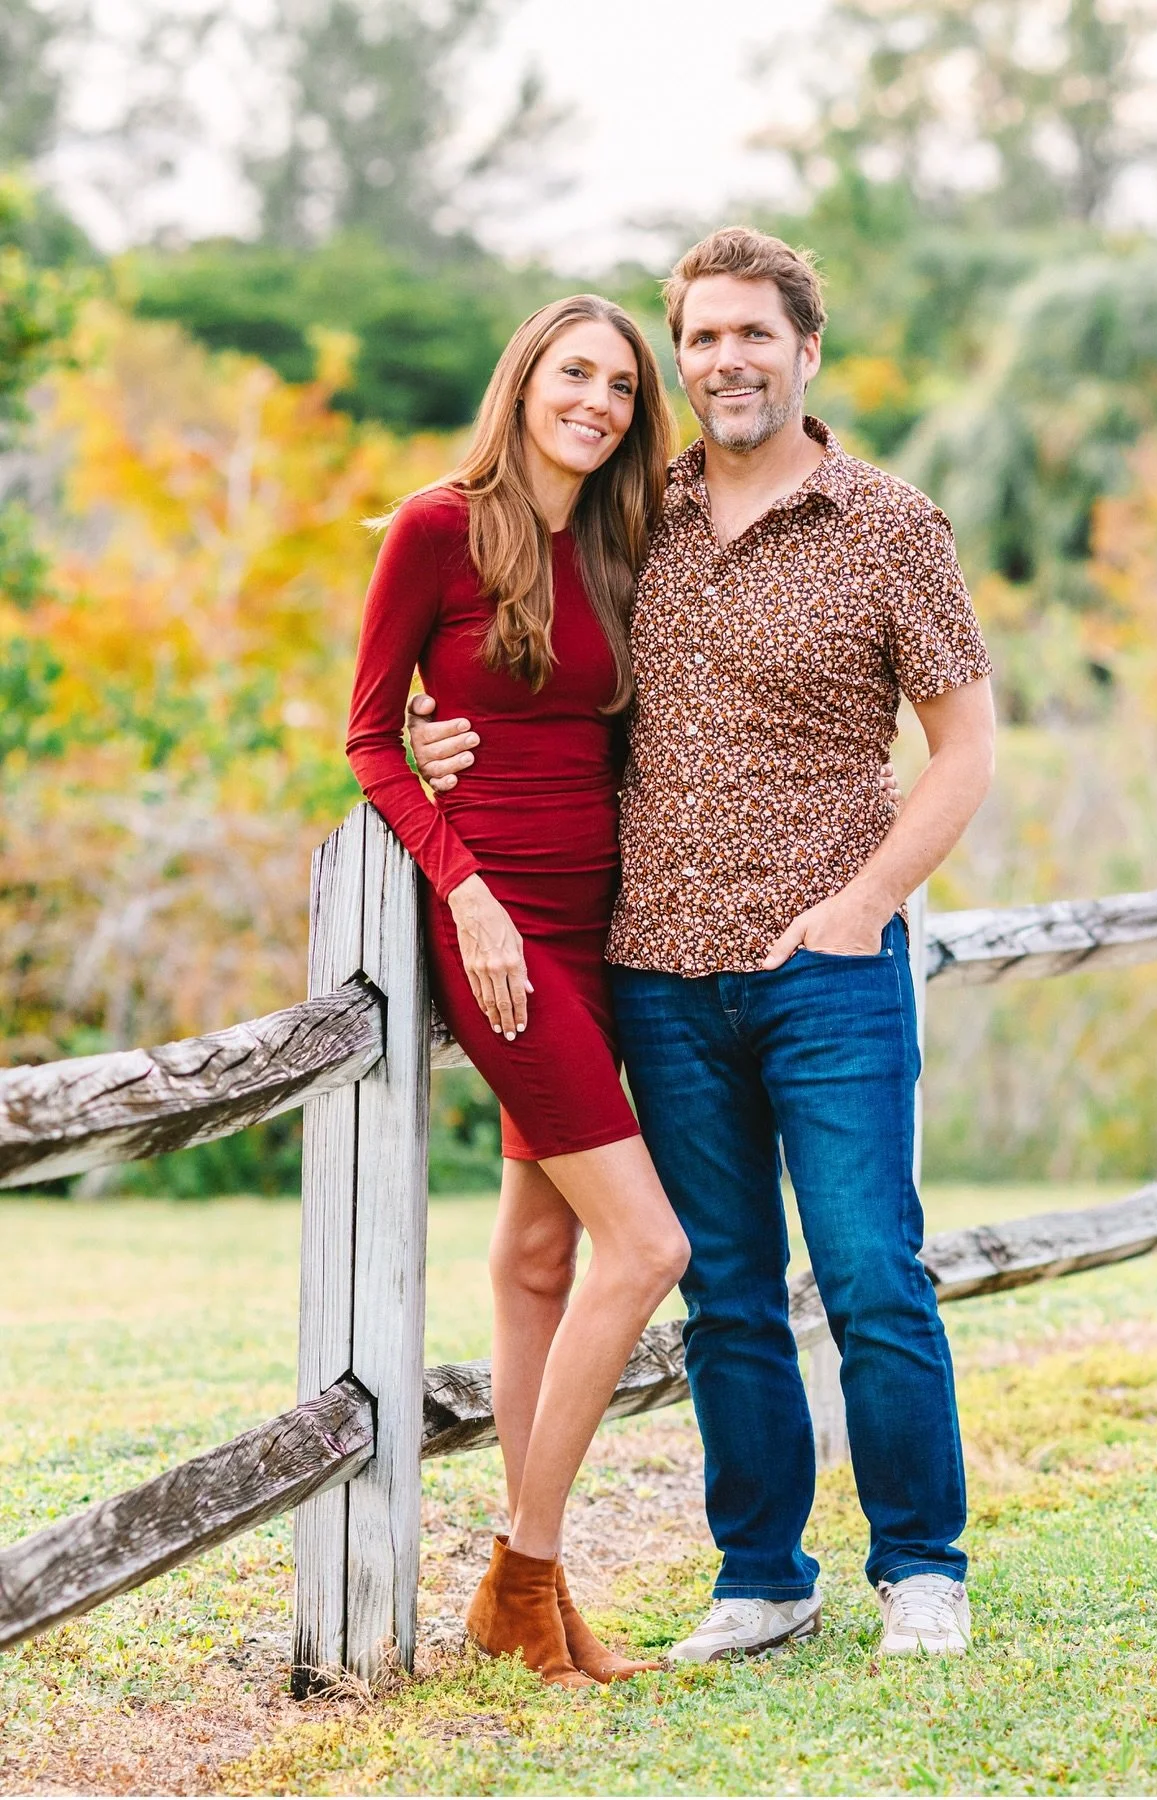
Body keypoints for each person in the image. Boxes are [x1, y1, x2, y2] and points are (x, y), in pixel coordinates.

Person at [410, 228, 996, 1663]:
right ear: (683, 358)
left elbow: (968, 749)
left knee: (870, 1273)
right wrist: (433, 735)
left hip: (829, 971)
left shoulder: (889, 524)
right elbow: (522, 658)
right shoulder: (634, 518)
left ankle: (920, 1567)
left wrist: (864, 904)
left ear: (807, 350)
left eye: (755, 335)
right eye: (704, 338)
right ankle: (762, 1577)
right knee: (724, 1292)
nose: (728, 361)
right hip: (657, 974)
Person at [346, 293, 692, 1690]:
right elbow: (372, 738)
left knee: (542, 1256)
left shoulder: (619, 545)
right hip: (501, 932)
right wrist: (466, 892)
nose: (597, 402)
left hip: (604, 929)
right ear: (524, 381)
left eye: (622, 386)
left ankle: (534, 1592)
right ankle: (522, 1575)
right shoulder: (438, 529)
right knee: (648, 1248)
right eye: (575, 374)